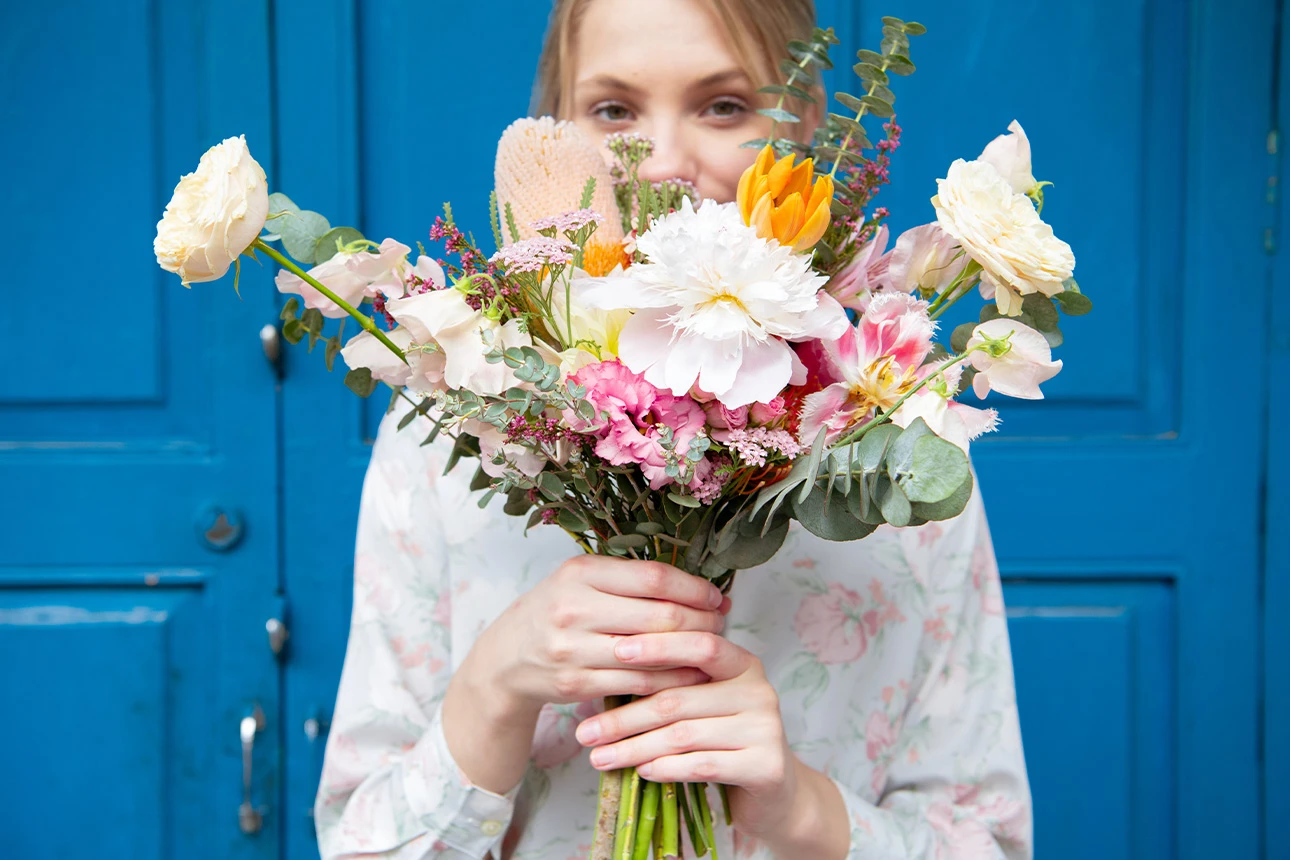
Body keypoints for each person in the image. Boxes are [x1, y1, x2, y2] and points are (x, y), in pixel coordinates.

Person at [314, 1, 1032, 858]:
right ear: (558, 126)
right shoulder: (448, 422)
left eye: (723, 106)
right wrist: (495, 687)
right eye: (613, 110)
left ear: (805, 122)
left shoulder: (895, 440)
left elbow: (989, 840)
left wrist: (801, 810)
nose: (661, 161)